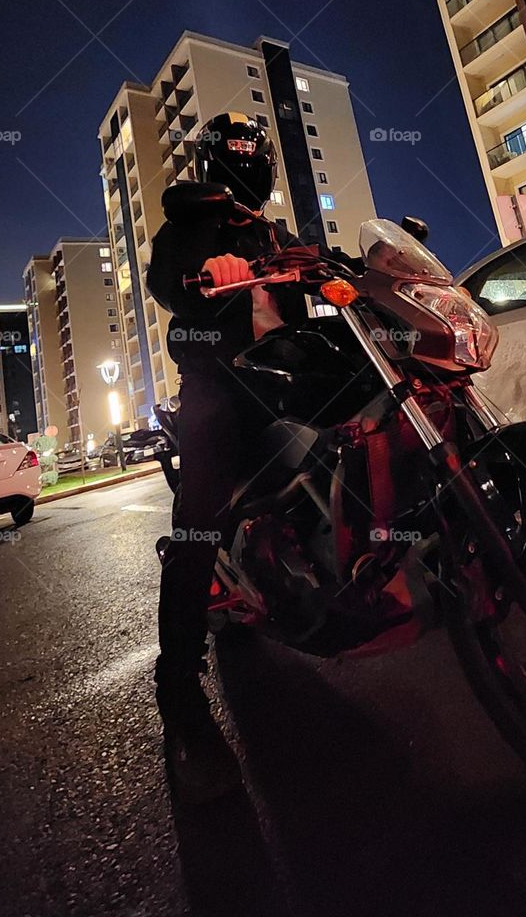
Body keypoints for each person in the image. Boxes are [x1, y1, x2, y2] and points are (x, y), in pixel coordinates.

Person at [146, 111, 306, 800]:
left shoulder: (276, 233)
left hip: (290, 379)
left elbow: (326, 273)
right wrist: (205, 273)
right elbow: (166, 282)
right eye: (237, 150)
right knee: (196, 522)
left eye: (254, 149)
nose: (249, 158)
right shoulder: (192, 223)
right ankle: (178, 690)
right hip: (220, 383)